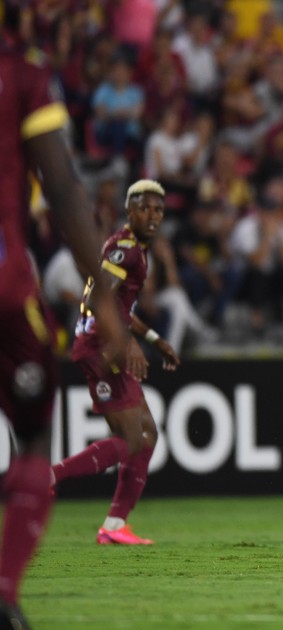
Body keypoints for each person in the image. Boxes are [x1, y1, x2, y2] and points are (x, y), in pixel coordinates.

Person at [0, 35, 128, 630]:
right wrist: (104, 297)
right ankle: (3, 591)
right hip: (6, 286)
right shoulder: (20, 78)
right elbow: (63, 188)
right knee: (32, 439)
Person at [50, 180, 180, 547]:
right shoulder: (126, 250)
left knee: (146, 435)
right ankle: (50, 477)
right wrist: (126, 345)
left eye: (158, 210)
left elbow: (121, 308)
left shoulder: (134, 248)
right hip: (101, 350)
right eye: (144, 207)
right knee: (130, 440)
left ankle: (115, 524)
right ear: (129, 210)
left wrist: (154, 340)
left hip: (107, 345)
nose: (152, 215)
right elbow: (96, 300)